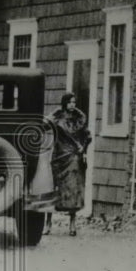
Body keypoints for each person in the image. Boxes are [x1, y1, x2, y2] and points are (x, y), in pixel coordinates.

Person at [45, 92, 91, 237]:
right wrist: (58, 111)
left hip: (73, 157)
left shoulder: (80, 119)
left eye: (74, 102)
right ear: (65, 103)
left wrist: (83, 148)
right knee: (53, 189)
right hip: (58, 156)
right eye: (70, 102)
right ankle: (48, 223)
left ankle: (72, 223)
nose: (73, 105)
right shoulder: (57, 117)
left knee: (73, 189)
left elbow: (87, 136)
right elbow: (46, 124)